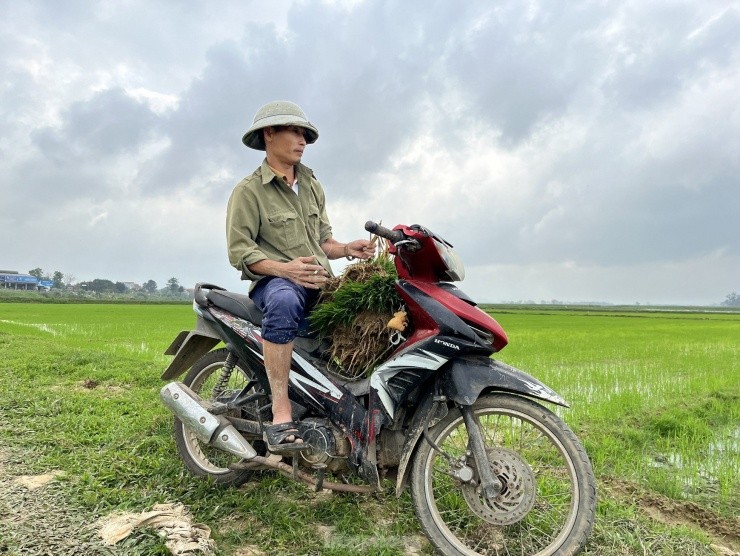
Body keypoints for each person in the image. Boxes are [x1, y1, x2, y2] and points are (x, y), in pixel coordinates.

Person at [226, 100, 374, 453]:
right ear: (269, 134)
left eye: (305, 133)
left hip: (318, 281)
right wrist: (284, 269)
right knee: (284, 299)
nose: (302, 139)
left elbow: (324, 241)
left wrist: (348, 249)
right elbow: (239, 251)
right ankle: (281, 411)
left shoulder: (311, 185)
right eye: (294, 131)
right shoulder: (249, 192)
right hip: (275, 283)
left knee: (366, 309)